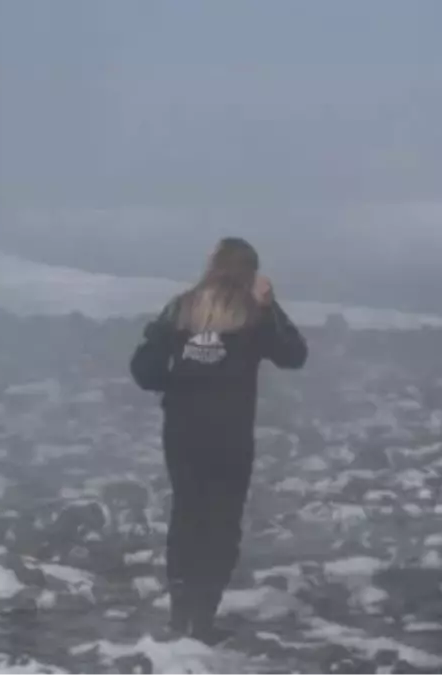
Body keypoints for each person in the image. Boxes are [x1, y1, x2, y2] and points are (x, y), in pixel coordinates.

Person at [129, 237, 308, 643]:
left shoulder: (181, 307)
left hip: (182, 430)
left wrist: (178, 381)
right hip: (230, 434)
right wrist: (270, 305)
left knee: (187, 514)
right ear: (251, 272)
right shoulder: (254, 313)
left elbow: (144, 371)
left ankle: (178, 619)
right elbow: (294, 356)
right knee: (222, 522)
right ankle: (204, 620)